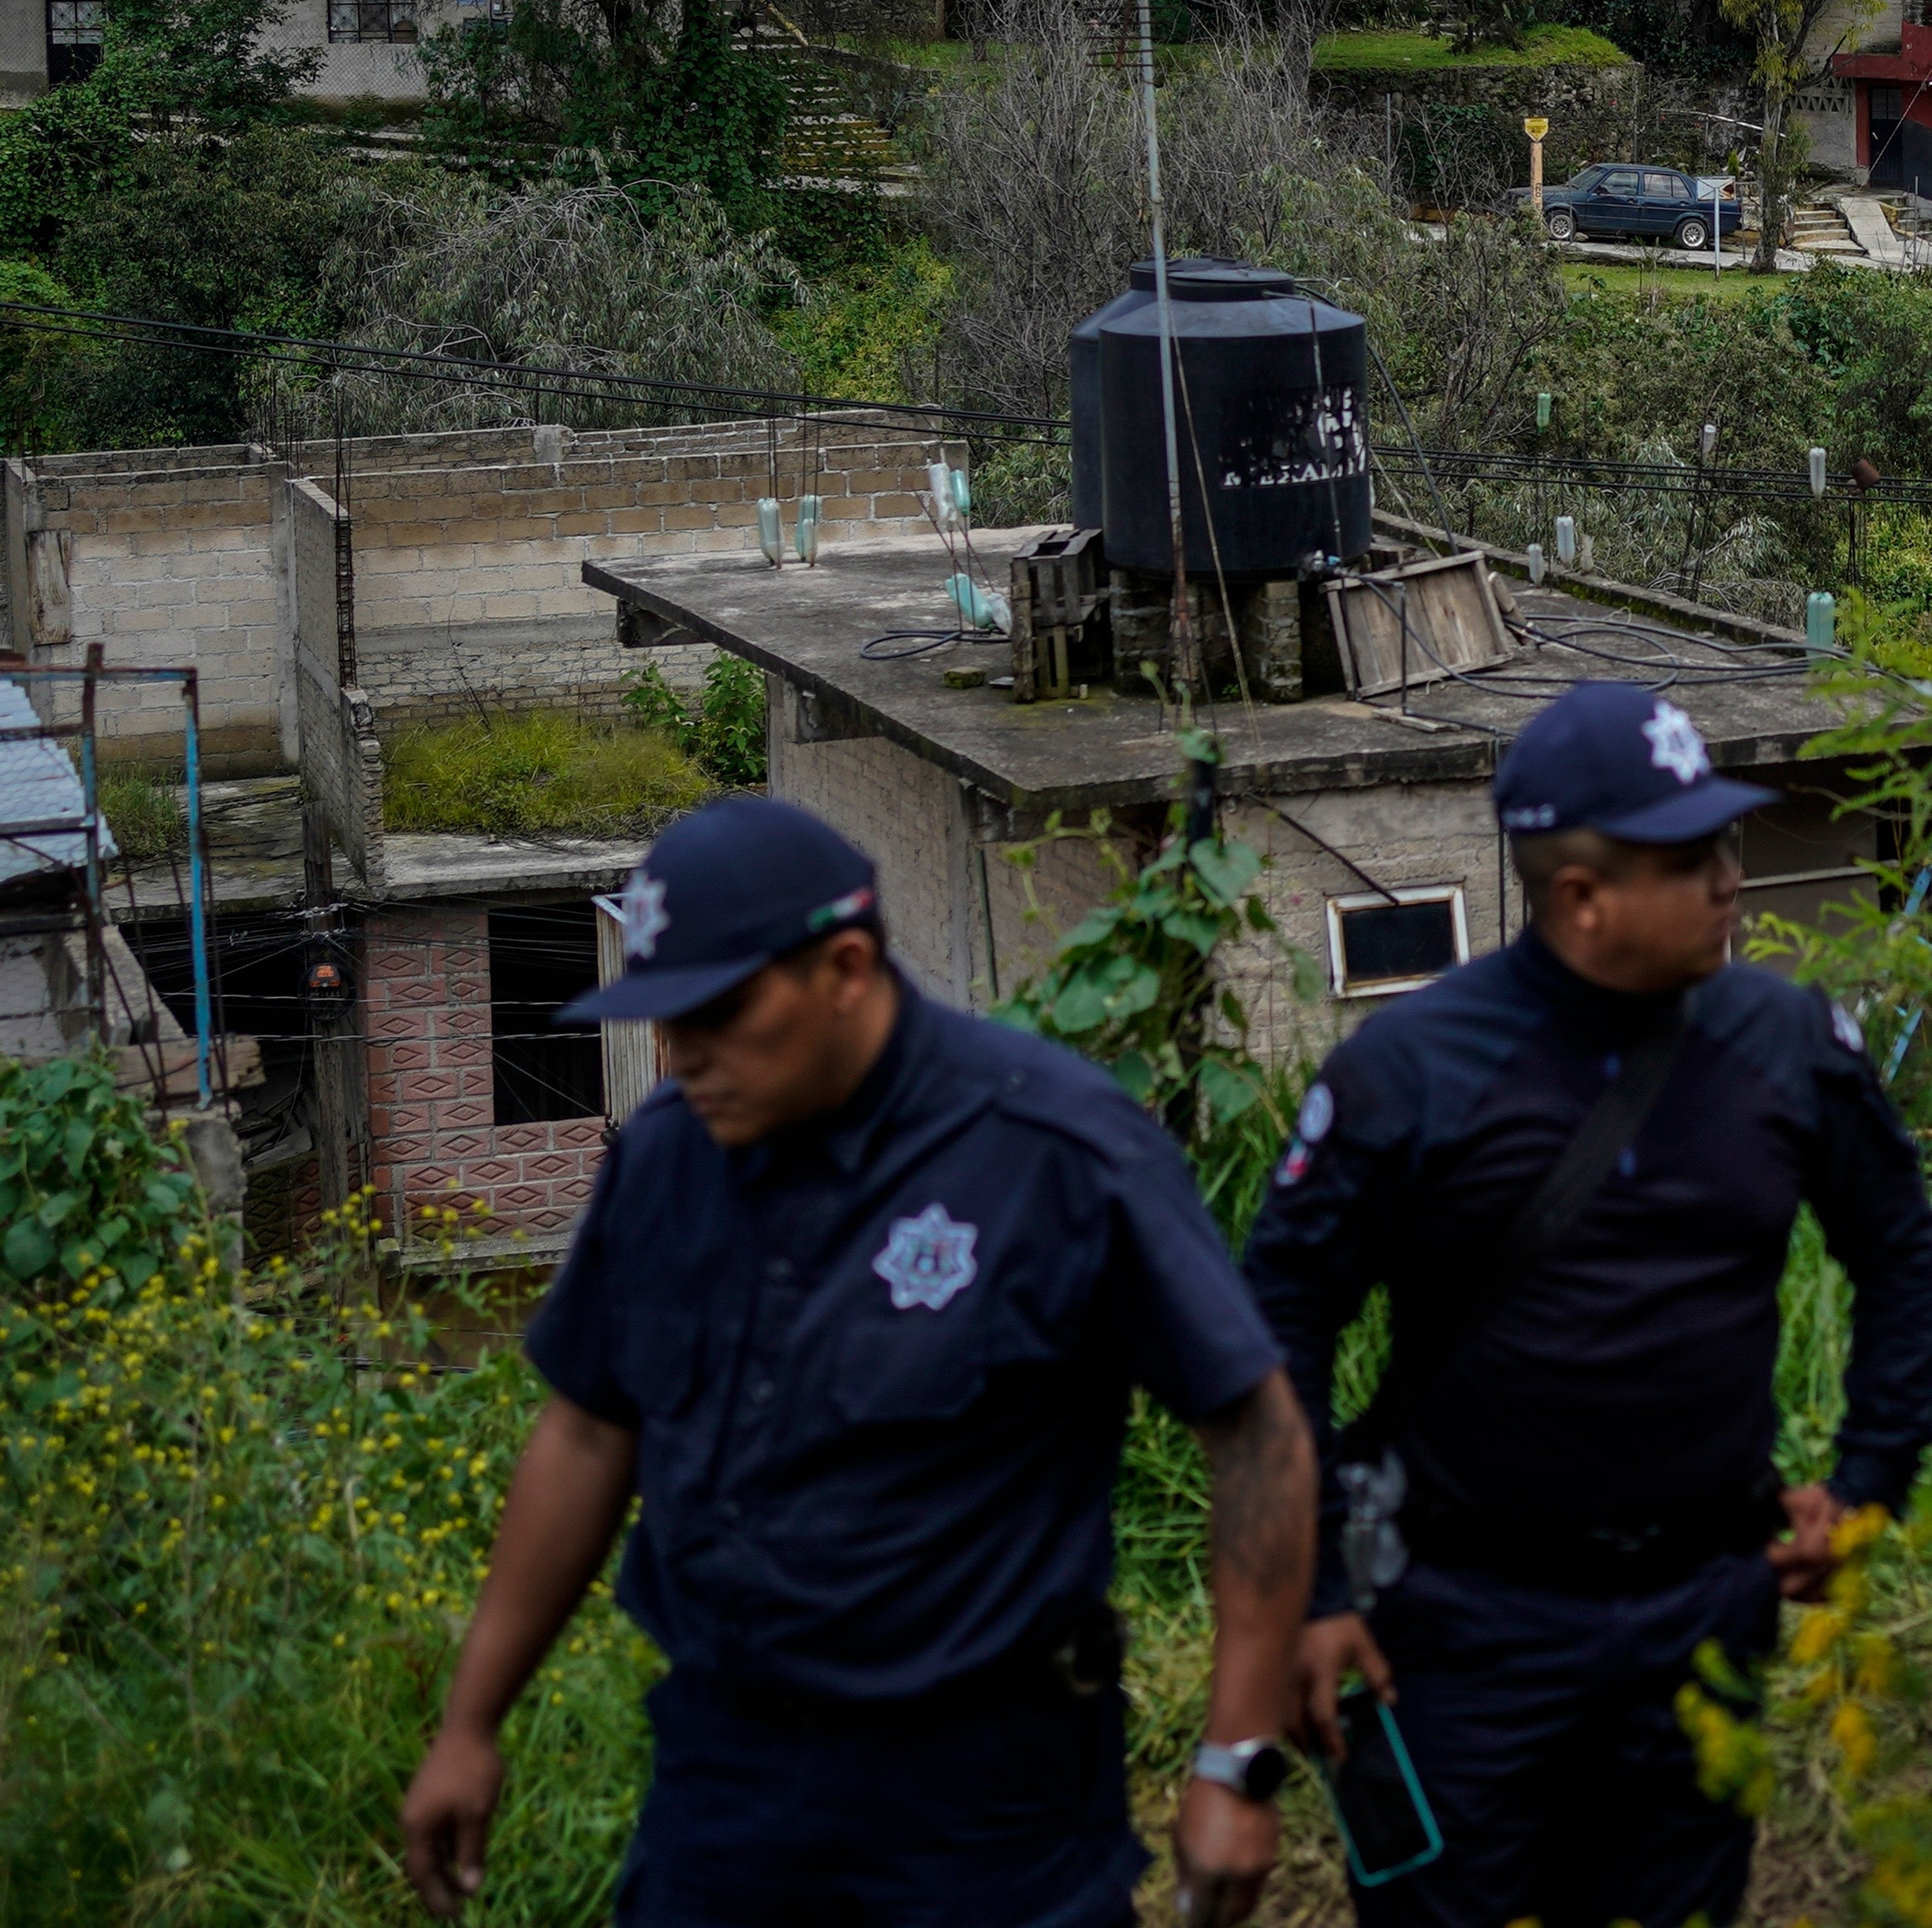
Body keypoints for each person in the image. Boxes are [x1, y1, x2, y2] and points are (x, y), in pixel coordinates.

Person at [395, 796, 1318, 1928]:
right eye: (661, 1021)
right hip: (725, 1782)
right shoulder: (668, 1161)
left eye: (716, 1015)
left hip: (985, 1806)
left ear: (842, 968)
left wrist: (1236, 1756)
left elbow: (1255, 1434)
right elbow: (589, 1430)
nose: (678, 1057)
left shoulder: (1058, 1155)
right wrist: (470, 1722)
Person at [1240, 680, 1932, 1928]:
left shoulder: (1787, 1046)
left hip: (1704, 1608)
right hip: (1459, 1631)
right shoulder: (1412, 1077)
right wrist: (1318, 1597)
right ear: (1582, 898)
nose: (1735, 877)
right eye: (1695, 857)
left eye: (1730, 840)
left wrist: (1868, 1480)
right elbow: (1279, 1327)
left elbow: (1900, 1251)